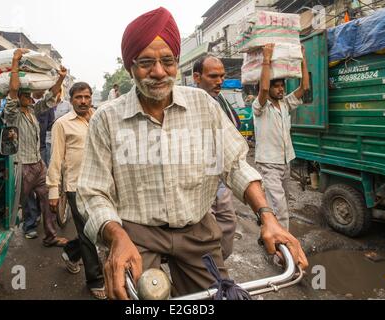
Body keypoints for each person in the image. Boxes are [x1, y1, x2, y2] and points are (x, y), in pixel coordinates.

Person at [77, 7, 308, 300]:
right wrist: (117, 237)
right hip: (136, 232)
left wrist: (268, 218)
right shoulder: (106, 119)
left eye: (167, 61)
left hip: (196, 228)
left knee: (216, 296)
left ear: (177, 63)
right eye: (146, 62)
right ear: (130, 68)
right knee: (133, 297)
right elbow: (92, 192)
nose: (159, 71)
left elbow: (235, 164)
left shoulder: (203, 104)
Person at [47, 82, 106, 300]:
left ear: (91, 98)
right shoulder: (62, 124)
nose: (83, 101)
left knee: (97, 230)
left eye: (87, 97)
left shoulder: (99, 119)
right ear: (71, 100)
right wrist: (54, 190)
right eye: (79, 97)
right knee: (88, 233)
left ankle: (71, 253)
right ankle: (95, 280)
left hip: (101, 184)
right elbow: (55, 159)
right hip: (76, 186)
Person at [4, 48, 68, 246]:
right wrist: (15, 61)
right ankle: (28, 227)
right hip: (22, 166)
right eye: (27, 96)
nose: (31, 99)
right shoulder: (12, 113)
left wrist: (60, 79)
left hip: (38, 164)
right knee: (24, 202)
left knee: (48, 198)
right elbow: (13, 89)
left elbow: (50, 98)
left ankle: (50, 236)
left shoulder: (32, 111)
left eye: (30, 97)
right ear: (20, 97)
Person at [253, 43, 310, 230]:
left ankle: (267, 231)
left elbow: (305, 87)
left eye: (281, 86)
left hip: (285, 162)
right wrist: (267, 59)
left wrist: (303, 59)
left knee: (278, 203)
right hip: (269, 164)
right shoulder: (259, 107)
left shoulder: (285, 104)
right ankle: (283, 254)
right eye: (275, 86)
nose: (280, 89)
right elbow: (262, 90)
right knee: (280, 209)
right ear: (268, 88)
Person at [192, 54, 241, 260]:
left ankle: (215, 274)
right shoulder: (188, 105)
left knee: (227, 230)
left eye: (222, 76)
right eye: (213, 76)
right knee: (206, 237)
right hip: (197, 183)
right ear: (196, 77)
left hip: (220, 180)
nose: (219, 81)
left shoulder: (220, 101)